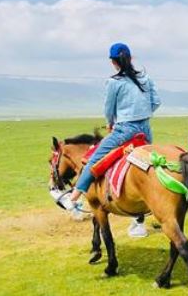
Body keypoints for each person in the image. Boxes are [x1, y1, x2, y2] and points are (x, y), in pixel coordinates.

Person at [65, 42, 161, 236]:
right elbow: (156, 101)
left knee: (93, 159)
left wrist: (111, 123)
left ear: (113, 62)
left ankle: (74, 197)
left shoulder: (114, 82)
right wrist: (142, 113)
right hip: (145, 130)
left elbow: (108, 109)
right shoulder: (146, 78)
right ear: (131, 58)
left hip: (124, 130)